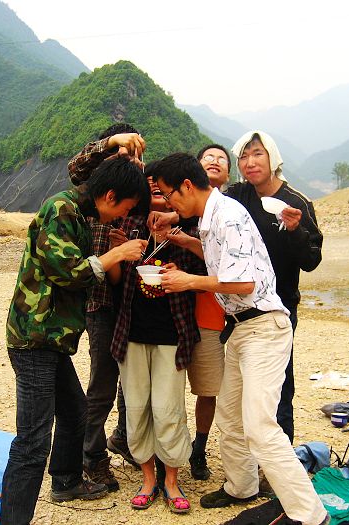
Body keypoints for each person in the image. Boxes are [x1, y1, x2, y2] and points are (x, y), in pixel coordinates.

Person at [153, 153, 329, 525]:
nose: (169, 203)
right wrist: (185, 244)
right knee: (230, 416)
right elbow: (221, 259)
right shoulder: (211, 217)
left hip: (264, 327)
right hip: (240, 328)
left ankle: (311, 514)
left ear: (187, 186)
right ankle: (242, 486)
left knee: (261, 427)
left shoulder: (228, 215)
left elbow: (244, 282)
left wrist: (188, 281)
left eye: (169, 195)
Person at [0, 158, 150, 525]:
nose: (122, 216)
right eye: (125, 208)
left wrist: (111, 251)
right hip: (35, 337)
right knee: (33, 441)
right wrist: (117, 253)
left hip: (52, 339)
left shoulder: (82, 215)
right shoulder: (61, 208)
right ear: (110, 195)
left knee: (75, 412)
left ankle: (66, 481)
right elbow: (67, 272)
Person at [108, 168, 205, 514]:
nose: (157, 196)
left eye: (163, 190)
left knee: (169, 409)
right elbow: (117, 281)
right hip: (132, 334)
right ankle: (148, 479)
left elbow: (205, 270)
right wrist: (116, 252)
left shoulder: (187, 228)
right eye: (151, 189)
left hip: (172, 335)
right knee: (137, 409)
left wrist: (180, 261)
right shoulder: (131, 226)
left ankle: (171, 481)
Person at [228, 130, 323, 443]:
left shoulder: (296, 202)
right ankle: (248, 456)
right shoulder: (238, 196)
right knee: (241, 386)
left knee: (280, 386)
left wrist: (295, 230)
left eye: (258, 154)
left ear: (273, 158)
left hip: (280, 309)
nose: (250, 162)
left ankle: (278, 459)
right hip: (241, 308)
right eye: (244, 156)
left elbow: (311, 259)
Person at [67, 123, 147, 491]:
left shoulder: (135, 186)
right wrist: (112, 145)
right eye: (123, 153)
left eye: (135, 154)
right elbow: (76, 167)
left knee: (130, 381)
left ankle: (123, 438)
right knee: (102, 383)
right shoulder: (94, 187)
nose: (130, 160)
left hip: (131, 298)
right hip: (98, 299)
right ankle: (91, 456)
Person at [184, 145, 231, 480]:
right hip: (172, 311)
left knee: (207, 387)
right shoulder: (181, 207)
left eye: (221, 159)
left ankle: (198, 448)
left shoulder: (231, 210)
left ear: (229, 173)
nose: (214, 161)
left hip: (210, 313)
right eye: (208, 158)